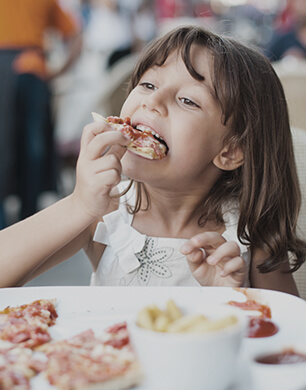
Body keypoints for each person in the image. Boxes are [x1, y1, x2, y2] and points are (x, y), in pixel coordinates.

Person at [0, 26, 305, 295]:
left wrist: (236, 298)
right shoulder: (105, 210)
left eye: (187, 100)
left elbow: (289, 337)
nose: (152, 101)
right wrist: (78, 205)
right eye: (148, 84)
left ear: (230, 151)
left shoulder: (248, 232)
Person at [0, 0, 82, 228]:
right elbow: (76, 35)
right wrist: (61, 69)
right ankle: (28, 221)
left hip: (15, 70)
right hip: (33, 69)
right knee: (32, 147)